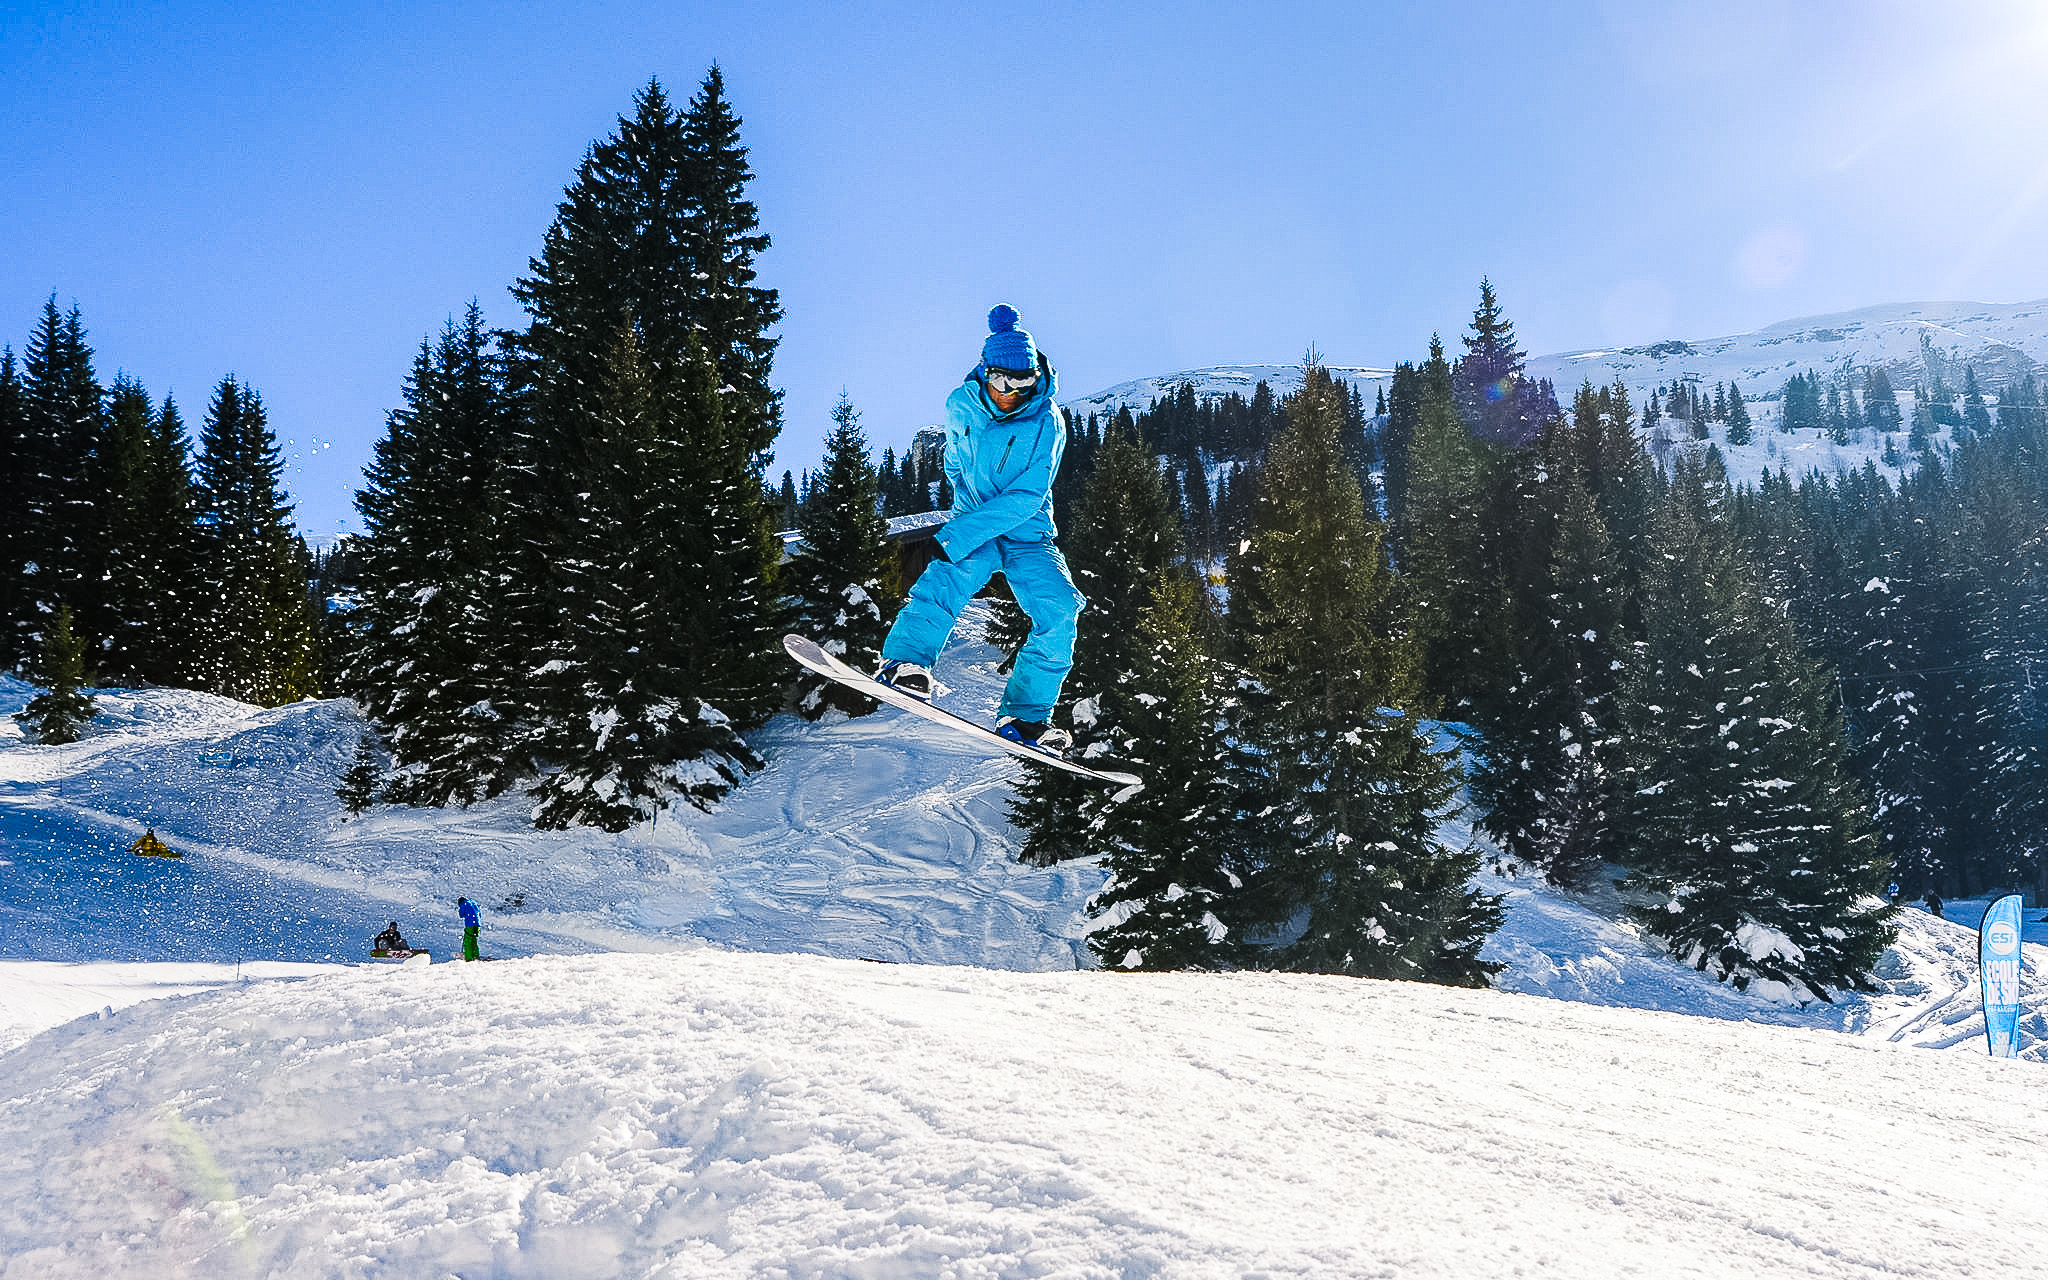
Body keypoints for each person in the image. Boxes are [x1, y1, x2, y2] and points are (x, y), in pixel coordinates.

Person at [875, 304, 1085, 754]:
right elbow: (953, 459)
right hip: (973, 517)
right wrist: (961, 508)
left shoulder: (1048, 421)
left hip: (1028, 531)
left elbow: (1029, 496)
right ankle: (905, 664)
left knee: (1060, 608)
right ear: (986, 372)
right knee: (949, 576)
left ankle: (1025, 717)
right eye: (1001, 380)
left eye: (1022, 382)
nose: (1010, 392)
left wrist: (956, 533)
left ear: (1035, 377)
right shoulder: (960, 405)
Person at [458, 896, 481, 961]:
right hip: (477, 925)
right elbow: (479, 913)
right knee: (474, 940)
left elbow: (461, 914)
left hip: (470, 924)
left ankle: (468, 958)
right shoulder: (474, 903)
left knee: (468, 941)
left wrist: (461, 909)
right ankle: (475, 956)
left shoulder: (464, 904)